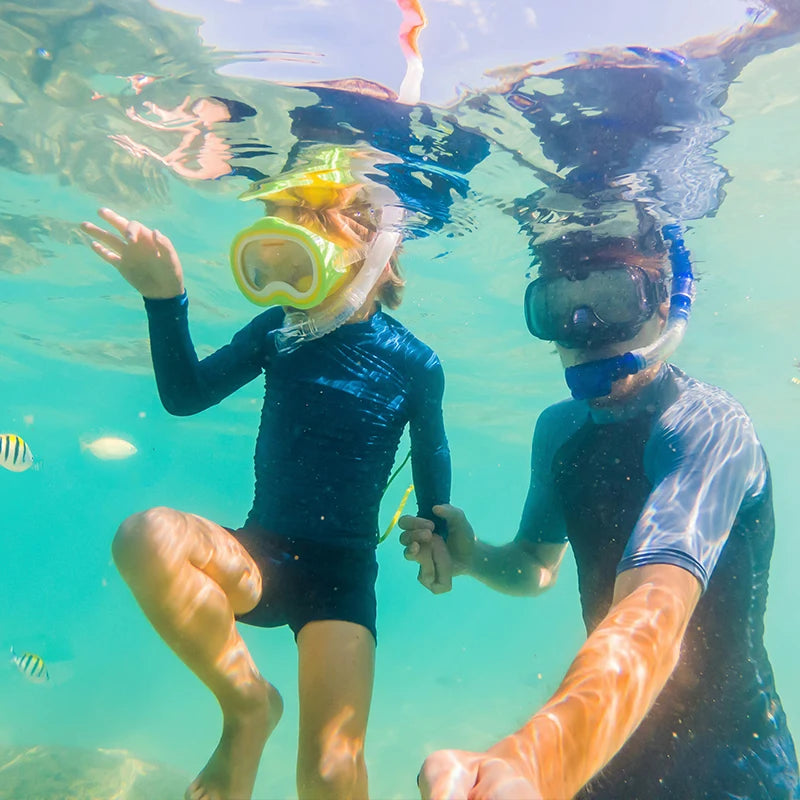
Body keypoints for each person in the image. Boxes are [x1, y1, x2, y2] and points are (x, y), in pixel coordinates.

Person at [81, 146, 451, 800]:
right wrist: (166, 300)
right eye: (273, 246)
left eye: (300, 240)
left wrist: (437, 530)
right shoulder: (278, 331)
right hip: (260, 557)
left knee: (332, 776)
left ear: (371, 248)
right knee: (147, 536)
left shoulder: (415, 361)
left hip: (339, 581)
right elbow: (186, 394)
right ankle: (248, 706)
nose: (280, 269)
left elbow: (432, 458)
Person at [400, 225, 799, 799]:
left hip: (732, 767)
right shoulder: (559, 432)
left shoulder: (709, 428)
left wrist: (532, 763)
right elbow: (537, 564)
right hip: (606, 754)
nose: (585, 330)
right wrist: (475, 558)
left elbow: (653, 611)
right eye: (560, 306)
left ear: (666, 305)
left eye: (614, 299)